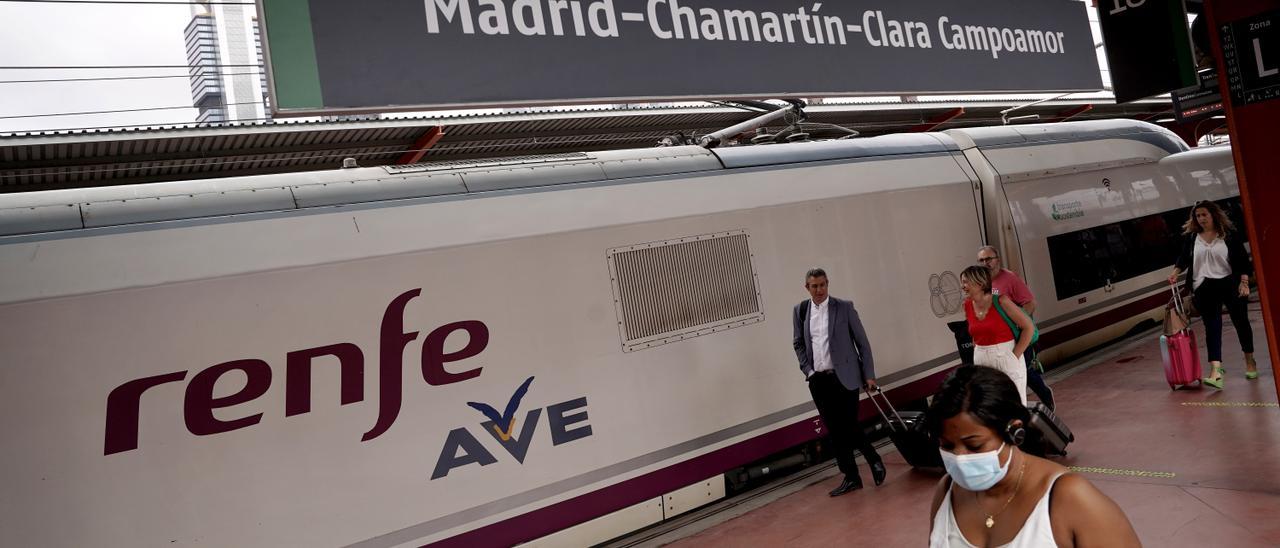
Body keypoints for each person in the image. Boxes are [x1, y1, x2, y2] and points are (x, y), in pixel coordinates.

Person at [927, 366, 1141, 547]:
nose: (959, 458)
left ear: (1014, 431)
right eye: (947, 446)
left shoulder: (1068, 498)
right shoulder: (947, 491)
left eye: (974, 446)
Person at [792, 268, 886, 496]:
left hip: (845, 377)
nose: (819, 290)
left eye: (823, 285)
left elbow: (862, 343)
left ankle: (873, 459)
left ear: (828, 284)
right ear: (807, 287)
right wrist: (808, 370)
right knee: (835, 431)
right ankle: (851, 477)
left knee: (849, 425)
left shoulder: (844, 307)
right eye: (814, 286)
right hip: (819, 380)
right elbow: (798, 343)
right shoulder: (801, 310)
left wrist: (869, 374)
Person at [1168, 200, 1256, 388]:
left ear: (1213, 215)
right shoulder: (1193, 237)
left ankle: (1250, 361)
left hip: (1230, 283)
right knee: (1212, 328)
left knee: (1241, 323)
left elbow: (1242, 259)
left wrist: (1244, 282)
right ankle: (1216, 372)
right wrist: (1176, 272)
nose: (1201, 219)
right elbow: (1184, 258)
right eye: (1197, 216)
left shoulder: (1228, 234)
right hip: (1204, 286)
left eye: (1204, 215)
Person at [978, 246, 1056, 410]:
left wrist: (1016, 322)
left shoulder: (1009, 278)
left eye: (989, 259)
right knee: (1013, 372)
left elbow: (1030, 303)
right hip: (1000, 338)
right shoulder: (982, 283)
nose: (986, 263)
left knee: (1021, 370)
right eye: (982, 260)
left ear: (997, 260)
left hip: (1018, 335)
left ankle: (1044, 395)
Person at [960, 265, 1035, 406]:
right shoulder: (967, 305)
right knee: (990, 406)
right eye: (962, 282)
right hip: (981, 359)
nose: (963, 286)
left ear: (980, 282)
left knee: (1014, 405)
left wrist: (1014, 356)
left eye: (966, 282)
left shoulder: (1001, 301)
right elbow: (975, 333)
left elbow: (1028, 327)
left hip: (1005, 354)